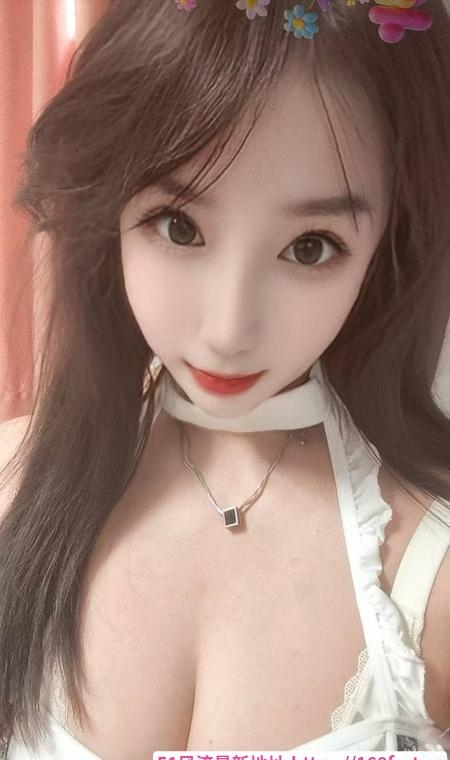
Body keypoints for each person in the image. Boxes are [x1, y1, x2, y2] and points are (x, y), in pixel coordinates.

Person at [1, 0, 450, 758]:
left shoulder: (430, 570)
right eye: (179, 226)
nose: (228, 330)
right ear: (109, 211)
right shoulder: (9, 484)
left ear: (388, 247)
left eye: (310, 247)